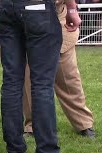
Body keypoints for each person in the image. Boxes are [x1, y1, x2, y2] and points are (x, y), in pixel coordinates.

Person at [0, 0, 81, 153]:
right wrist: (71, 7)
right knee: (42, 85)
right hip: (38, 8)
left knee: (11, 83)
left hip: (6, 8)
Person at [23, 0, 95, 139]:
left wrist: (72, 9)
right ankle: (32, 125)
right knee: (28, 77)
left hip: (58, 14)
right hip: (26, 16)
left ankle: (83, 123)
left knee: (68, 76)